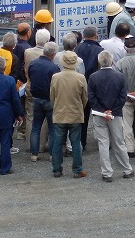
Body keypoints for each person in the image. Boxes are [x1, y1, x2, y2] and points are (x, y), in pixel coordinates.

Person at [88, 51, 134, 182]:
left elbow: (91, 97)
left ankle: (107, 172)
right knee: (119, 142)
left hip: (98, 114)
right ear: (112, 61)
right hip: (116, 114)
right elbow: (122, 96)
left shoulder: (93, 77)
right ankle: (126, 169)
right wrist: (112, 111)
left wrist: (103, 111)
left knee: (103, 143)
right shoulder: (119, 76)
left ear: (99, 62)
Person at [50, 51, 88, 179]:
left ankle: (56, 170)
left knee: (57, 143)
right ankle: (77, 170)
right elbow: (85, 98)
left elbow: (52, 96)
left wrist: (56, 107)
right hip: (75, 113)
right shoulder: (81, 78)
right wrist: (80, 108)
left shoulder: (56, 77)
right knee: (76, 143)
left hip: (60, 113)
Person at [28, 42, 60, 162]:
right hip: (50, 100)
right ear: (52, 54)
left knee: (36, 126)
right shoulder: (54, 67)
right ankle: (52, 154)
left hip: (36, 98)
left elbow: (30, 78)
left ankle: (34, 154)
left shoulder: (32, 64)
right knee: (52, 128)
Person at [75, 26, 103, 150]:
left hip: (79, 85)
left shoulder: (77, 48)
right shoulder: (100, 50)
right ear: (95, 35)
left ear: (83, 35)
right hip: (95, 86)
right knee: (99, 114)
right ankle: (102, 141)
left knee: (82, 115)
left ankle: (81, 141)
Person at [115, 36, 135, 158]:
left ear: (124, 48)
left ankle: (130, 148)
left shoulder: (119, 63)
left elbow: (118, 81)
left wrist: (126, 92)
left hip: (125, 97)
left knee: (127, 123)